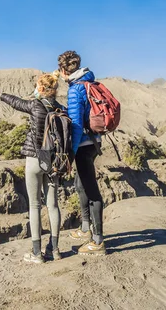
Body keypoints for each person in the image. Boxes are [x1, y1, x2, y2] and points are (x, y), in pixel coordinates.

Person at [0, 73, 63, 264]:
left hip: (34, 159)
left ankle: (37, 253)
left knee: (34, 206)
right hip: (54, 163)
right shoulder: (61, 109)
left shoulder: (35, 106)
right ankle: (54, 250)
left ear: (40, 88)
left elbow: (17, 102)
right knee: (53, 205)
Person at [57, 50, 106, 255]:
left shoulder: (75, 89)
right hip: (94, 142)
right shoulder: (89, 81)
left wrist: (70, 153)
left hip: (84, 145)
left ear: (63, 70)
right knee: (80, 184)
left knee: (91, 191)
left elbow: (76, 126)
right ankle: (86, 228)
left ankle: (97, 241)